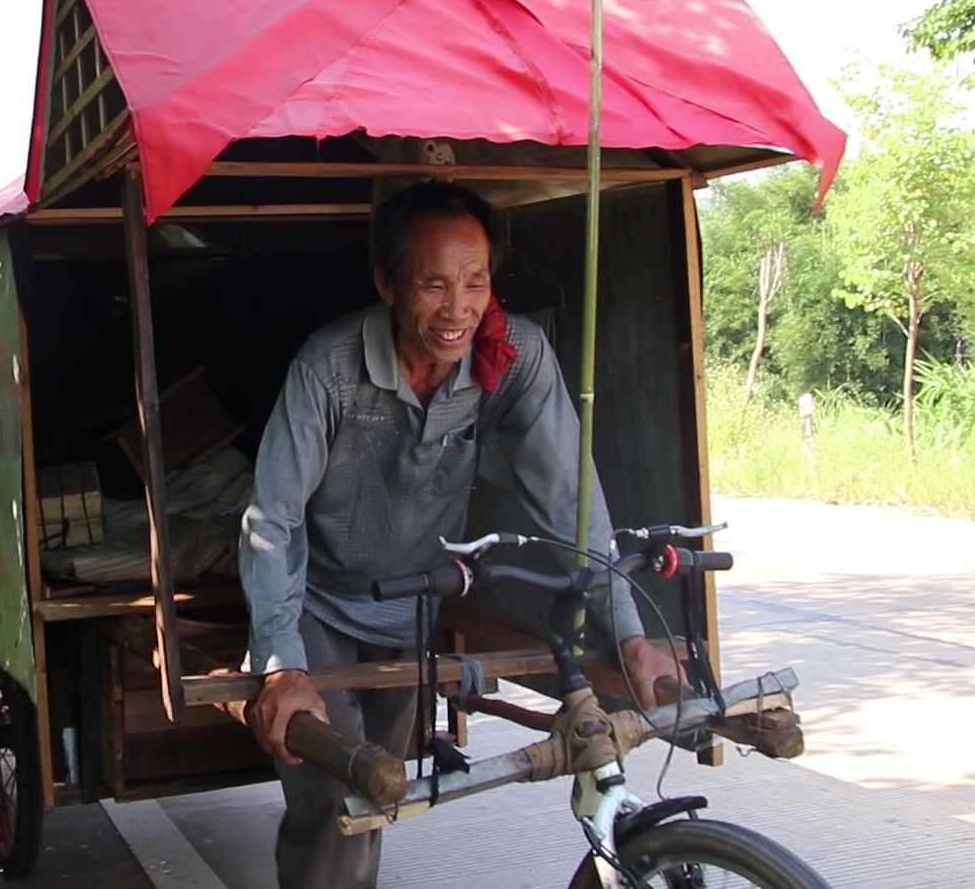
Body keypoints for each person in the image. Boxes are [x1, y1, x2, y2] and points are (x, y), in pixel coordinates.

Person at [238, 180, 680, 889]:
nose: (458, 309)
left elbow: (569, 498)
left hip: (412, 603)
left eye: (475, 281)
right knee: (332, 799)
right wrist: (279, 664)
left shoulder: (513, 358)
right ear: (386, 282)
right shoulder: (326, 368)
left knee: (378, 797)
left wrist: (626, 630)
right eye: (434, 284)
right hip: (318, 600)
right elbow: (274, 519)